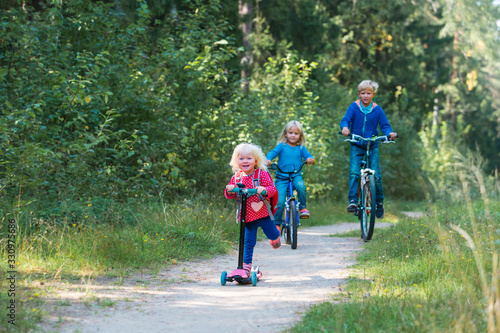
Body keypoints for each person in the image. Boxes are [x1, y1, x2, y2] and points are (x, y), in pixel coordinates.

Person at [340, 80, 397, 219]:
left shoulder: (377, 109)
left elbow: (385, 125)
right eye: (363, 93)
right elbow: (345, 120)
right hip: (357, 145)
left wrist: (389, 133)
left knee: (376, 175)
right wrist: (345, 128)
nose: (366, 96)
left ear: (373, 94)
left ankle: (378, 203)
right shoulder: (354, 107)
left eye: (368, 93)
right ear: (359, 94)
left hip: (372, 145)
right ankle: (353, 201)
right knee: (354, 172)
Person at [224, 143, 281, 278]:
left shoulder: (261, 174)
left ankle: (275, 237)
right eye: (241, 158)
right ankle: (245, 268)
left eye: (249, 158)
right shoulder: (237, 177)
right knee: (248, 243)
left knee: (273, 235)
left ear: (255, 160)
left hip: (263, 215)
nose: (245, 161)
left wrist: (265, 190)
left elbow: (272, 190)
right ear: (236, 161)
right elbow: (230, 195)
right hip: (247, 218)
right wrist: (229, 190)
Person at [265, 120, 315, 230]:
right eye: (291, 133)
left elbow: (307, 155)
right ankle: (277, 224)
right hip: (281, 177)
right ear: (285, 134)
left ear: (300, 135)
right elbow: (273, 153)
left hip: (295, 175)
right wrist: (268, 159)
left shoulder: (301, 147)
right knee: (279, 201)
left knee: (301, 187)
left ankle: (302, 207)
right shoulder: (281, 146)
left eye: (296, 133)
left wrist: (309, 159)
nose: (293, 135)